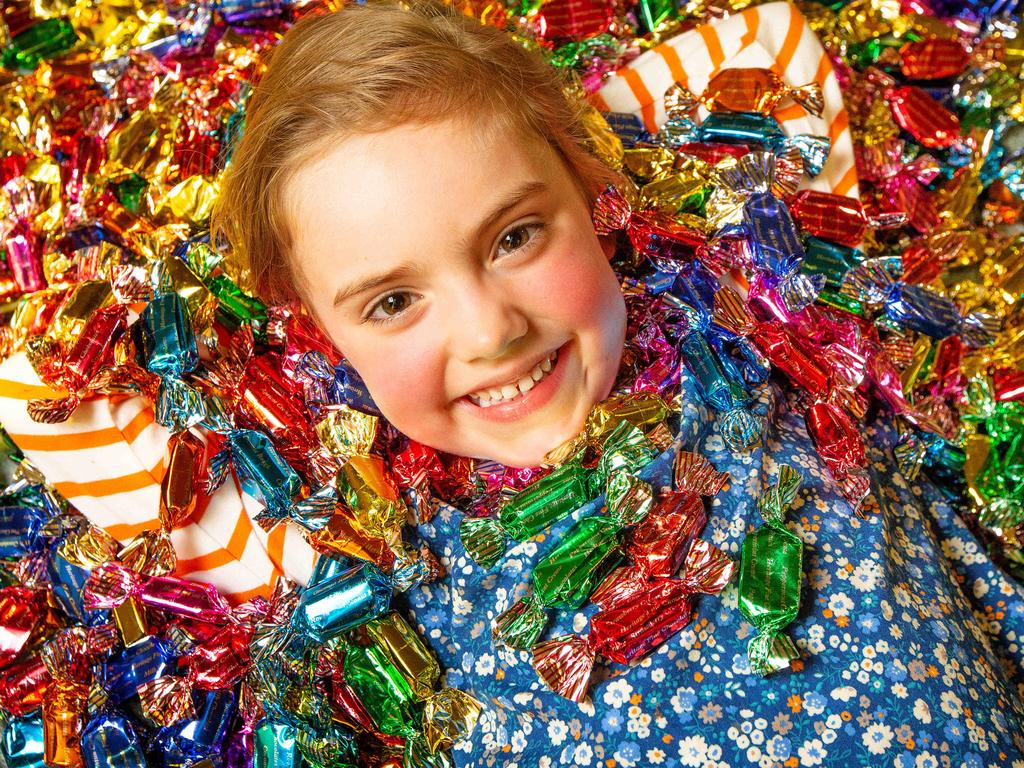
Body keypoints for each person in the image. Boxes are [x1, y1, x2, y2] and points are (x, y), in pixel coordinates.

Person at [213, 1, 1024, 766]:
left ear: (592, 182)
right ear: (320, 334)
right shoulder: (375, 614)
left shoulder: (775, 346)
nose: (492, 331)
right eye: (393, 303)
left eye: (515, 236)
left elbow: (771, 37)